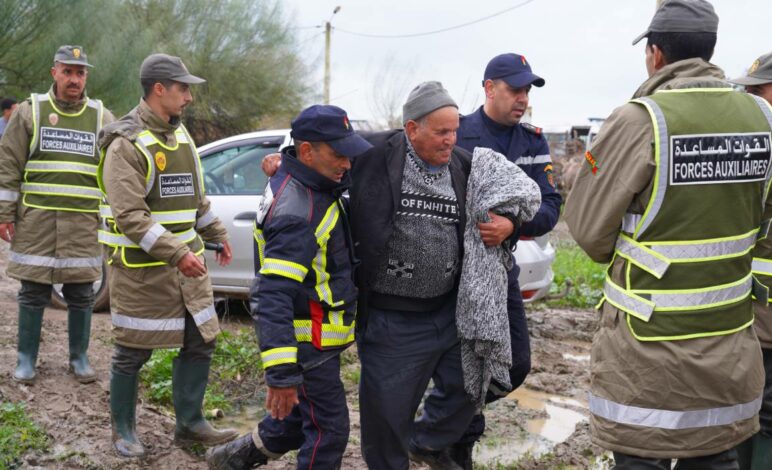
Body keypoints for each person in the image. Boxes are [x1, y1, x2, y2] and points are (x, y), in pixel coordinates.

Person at [261, 82, 535, 469]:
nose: (451, 140)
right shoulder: (373, 154)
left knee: (474, 382)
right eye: (441, 132)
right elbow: (318, 154)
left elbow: (521, 198)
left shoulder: (464, 164)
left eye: (454, 130)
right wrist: (282, 162)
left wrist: (510, 224)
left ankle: (425, 442)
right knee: (386, 423)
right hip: (394, 321)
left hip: (450, 312)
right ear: (411, 129)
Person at [565, 1, 772, 468]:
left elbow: (587, 230)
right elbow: (769, 231)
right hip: (729, 351)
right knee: (719, 457)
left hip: (646, 356)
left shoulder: (639, 119)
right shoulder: (765, 121)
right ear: (710, 50)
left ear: (656, 54)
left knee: (642, 459)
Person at [206, 105, 372, 469]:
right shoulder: (300, 211)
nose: (347, 163)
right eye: (338, 154)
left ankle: (228, 460)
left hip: (313, 337)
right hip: (307, 341)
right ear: (308, 151)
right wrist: (281, 375)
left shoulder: (308, 181)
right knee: (329, 429)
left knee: (293, 422)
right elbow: (273, 293)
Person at [97, 53, 237, 457]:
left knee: (200, 341)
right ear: (159, 89)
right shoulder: (125, 142)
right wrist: (177, 253)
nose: (189, 97)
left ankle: (190, 424)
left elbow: (195, 198)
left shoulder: (181, 136)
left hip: (186, 268)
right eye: (183, 88)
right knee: (132, 350)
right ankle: (123, 432)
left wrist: (216, 232)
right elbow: (130, 217)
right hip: (143, 272)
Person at [435, 52, 562, 467]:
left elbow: (549, 207)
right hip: (454, 272)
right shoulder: (459, 133)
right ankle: (455, 448)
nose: (523, 98)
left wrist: (512, 224)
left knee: (515, 364)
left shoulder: (532, 141)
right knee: (464, 361)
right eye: (515, 89)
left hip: (499, 268)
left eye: (527, 90)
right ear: (489, 88)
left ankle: (437, 429)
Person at [0, 45, 114, 385]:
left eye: (80, 73)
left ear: (86, 76)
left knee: (81, 293)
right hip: (36, 221)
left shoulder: (101, 117)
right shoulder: (29, 111)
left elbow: (115, 168)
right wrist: (5, 212)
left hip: (82, 223)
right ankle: (25, 360)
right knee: (33, 289)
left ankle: (79, 358)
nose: (74, 79)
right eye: (67, 71)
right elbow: (9, 164)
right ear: (54, 72)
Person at [730, 51, 772, 469]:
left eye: (759, 90)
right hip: (755, 313)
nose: (751, 98)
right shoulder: (762, 141)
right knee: (748, 411)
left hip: (771, 319)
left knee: (769, 414)